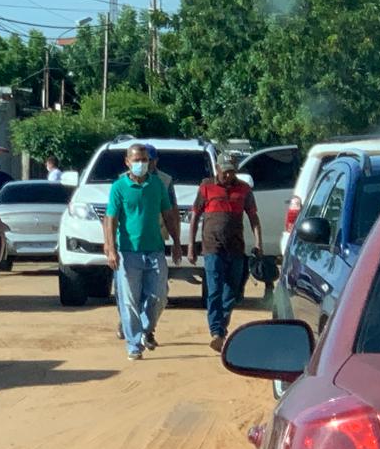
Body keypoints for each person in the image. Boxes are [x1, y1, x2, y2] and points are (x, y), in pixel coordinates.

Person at [104, 143, 182, 360]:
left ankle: (146, 327)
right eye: (137, 160)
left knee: (159, 296)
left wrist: (176, 242)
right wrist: (110, 248)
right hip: (128, 253)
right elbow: (110, 218)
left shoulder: (157, 185)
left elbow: (168, 214)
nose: (141, 164)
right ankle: (134, 345)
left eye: (145, 160)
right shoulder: (119, 187)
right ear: (127, 162)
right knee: (129, 300)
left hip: (155, 250)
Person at [188, 154, 264, 352]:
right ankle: (216, 331)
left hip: (236, 248)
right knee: (214, 290)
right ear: (217, 169)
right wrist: (190, 246)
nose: (228, 174)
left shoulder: (244, 190)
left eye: (231, 170)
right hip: (212, 247)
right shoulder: (206, 187)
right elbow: (195, 217)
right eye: (225, 170)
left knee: (232, 293)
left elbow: (254, 219)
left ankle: (221, 328)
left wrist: (258, 244)